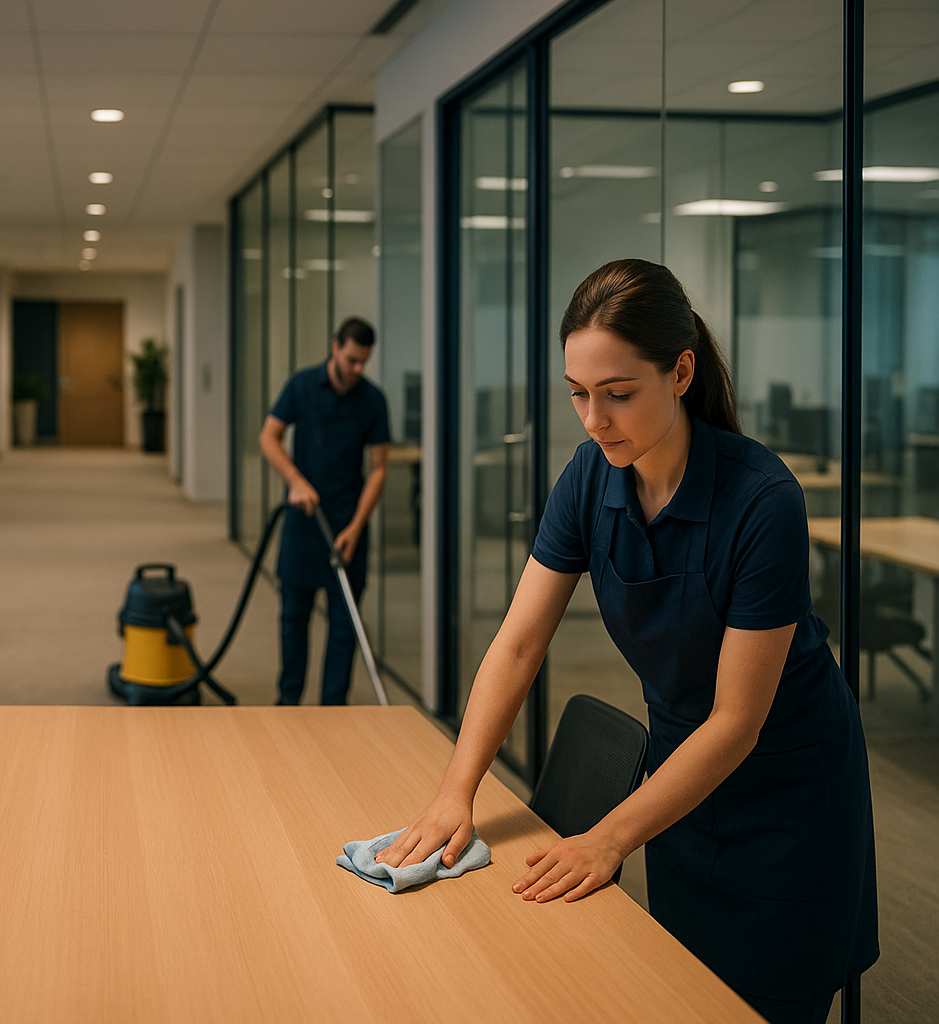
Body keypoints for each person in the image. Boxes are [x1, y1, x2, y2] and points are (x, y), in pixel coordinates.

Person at [375, 260, 877, 1024]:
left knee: (770, 998)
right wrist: (456, 792)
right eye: (577, 394)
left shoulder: (761, 500)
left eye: (617, 394)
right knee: (682, 991)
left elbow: (738, 723)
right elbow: (516, 647)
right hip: (677, 782)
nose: (593, 419)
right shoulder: (588, 478)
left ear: (681, 372)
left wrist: (607, 837)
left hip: (788, 798)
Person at [260, 317, 390, 705]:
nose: (356, 369)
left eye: (363, 362)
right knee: (293, 619)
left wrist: (355, 526)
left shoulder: (372, 400)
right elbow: (269, 436)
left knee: (343, 627)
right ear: (335, 347)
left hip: (348, 527)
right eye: (351, 359)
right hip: (303, 524)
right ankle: (288, 702)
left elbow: (379, 468)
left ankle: (333, 711)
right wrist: (295, 481)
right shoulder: (301, 386)